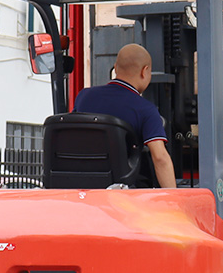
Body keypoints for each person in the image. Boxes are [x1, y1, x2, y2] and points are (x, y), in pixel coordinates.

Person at [72, 43, 177, 189]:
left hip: (82, 185)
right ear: (144, 71)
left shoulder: (84, 96)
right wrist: (174, 197)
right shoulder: (146, 110)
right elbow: (160, 158)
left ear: (115, 68)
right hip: (124, 192)